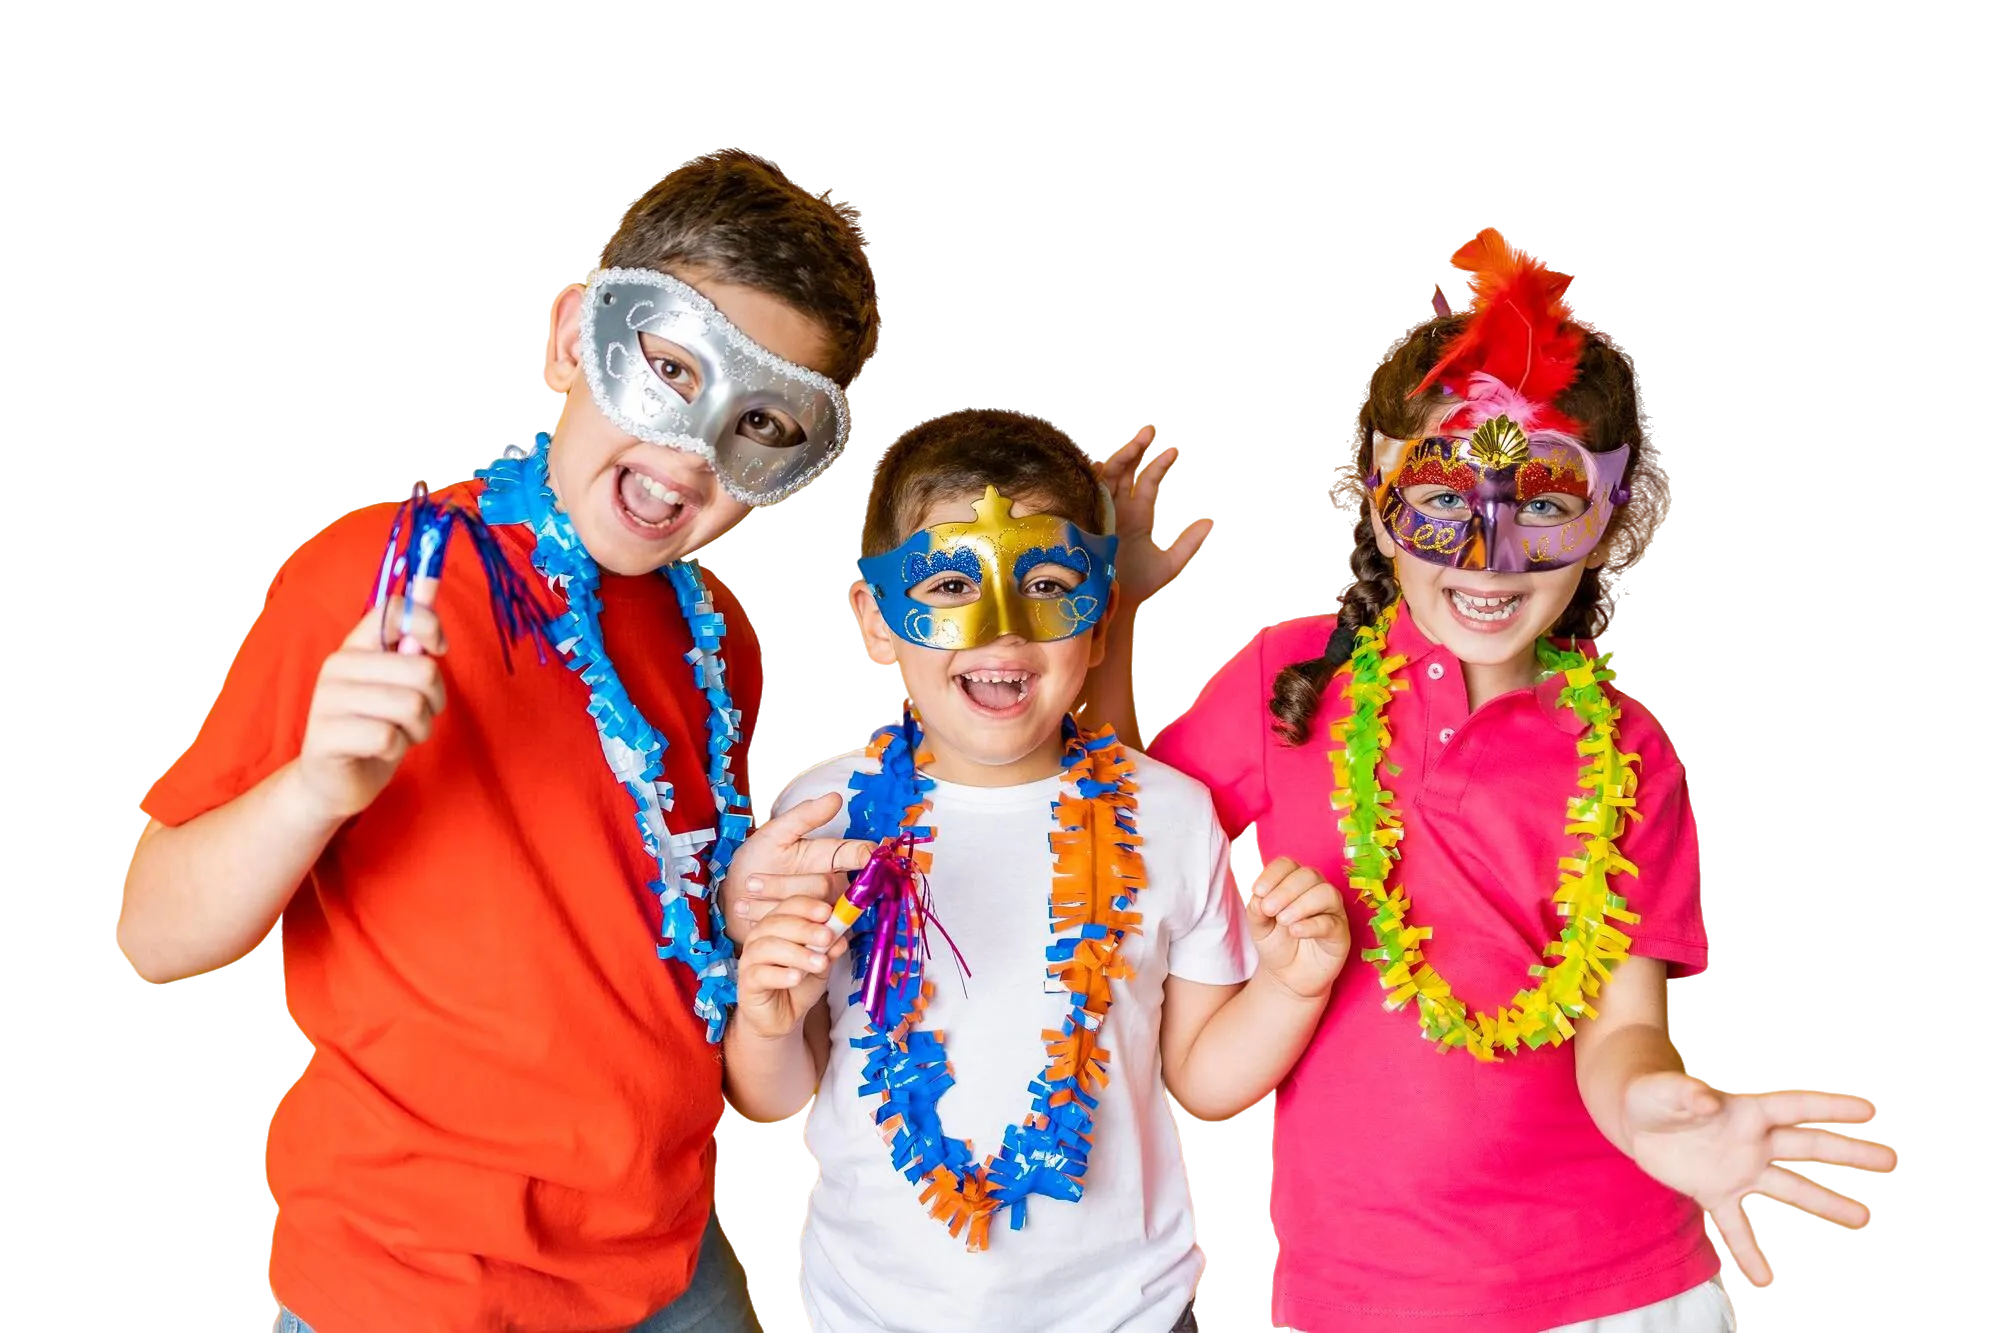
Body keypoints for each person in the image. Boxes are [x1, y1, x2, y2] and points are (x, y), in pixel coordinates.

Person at [118, 147, 882, 1333]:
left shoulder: (716, 635)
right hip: (413, 1280)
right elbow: (155, 934)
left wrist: (737, 899)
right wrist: (317, 787)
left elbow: (637, 918)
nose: (689, 457)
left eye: (758, 422)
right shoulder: (382, 578)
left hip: (662, 1258)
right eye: (668, 371)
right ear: (575, 336)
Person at [1091, 228, 1900, 1332]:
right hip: (1367, 1297)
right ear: (1377, 499)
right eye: (1442, 499)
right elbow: (1107, 817)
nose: (1488, 553)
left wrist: (1653, 1104)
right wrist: (1117, 616)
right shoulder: (1291, 680)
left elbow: (1621, 1027)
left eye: (1543, 501)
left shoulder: (1628, 749)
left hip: (1620, 1284)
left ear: (1609, 519)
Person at [724, 407, 1351, 1332]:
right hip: (873, 1312)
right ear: (876, 617)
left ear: (1099, 621)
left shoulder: (1172, 817)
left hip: (1123, 1311)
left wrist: (1295, 986)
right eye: (947, 581)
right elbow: (778, 1092)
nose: (1003, 632)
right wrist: (768, 1018)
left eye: (1049, 584)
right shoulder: (819, 819)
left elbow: (1203, 1076)